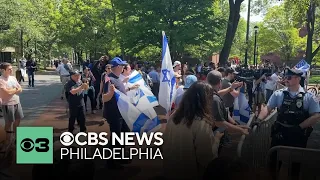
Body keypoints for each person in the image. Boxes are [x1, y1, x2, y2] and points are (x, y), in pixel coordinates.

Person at [257, 68, 320, 179]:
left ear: (298, 79)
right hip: (280, 133)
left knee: (295, 166)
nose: (286, 79)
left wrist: (299, 127)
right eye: (285, 77)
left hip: (298, 135)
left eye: (289, 77)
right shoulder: (278, 94)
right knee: (274, 162)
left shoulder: (308, 97)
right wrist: (258, 120)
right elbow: (268, 108)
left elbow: (316, 115)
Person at [163, 81, 224, 180]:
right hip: (189, 173)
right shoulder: (201, 123)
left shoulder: (174, 116)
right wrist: (216, 139)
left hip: (169, 171)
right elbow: (207, 158)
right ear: (205, 100)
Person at [102, 57, 138, 169]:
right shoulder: (109, 79)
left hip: (121, 112)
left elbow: (120, 93)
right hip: (114, 113)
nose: (123, 67)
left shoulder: (117, 78)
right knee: (116, 137)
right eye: (122, 66)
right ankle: (111, 162)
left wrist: (129, 89)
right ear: (117, 67)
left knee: (124, 134)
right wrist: (111, 93)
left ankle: (120, 157)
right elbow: (104, 98)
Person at [206, 70, 249, 152]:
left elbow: (218, 93)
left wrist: (230, 88)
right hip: (212, 135)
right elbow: (219, 122)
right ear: (220, 83)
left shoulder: (208, 93)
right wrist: (240, 129)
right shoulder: (215, 99)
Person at [0, 63, 24, 144]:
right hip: (7, 104)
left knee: (18, 120)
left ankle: (15, 137)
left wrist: (12, 90)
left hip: (17, 102)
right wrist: (15, 89)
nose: (11, 70)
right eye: (9, 69)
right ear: (3, 70)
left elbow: (20, 89)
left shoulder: (13, 78)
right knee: (9, 122)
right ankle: (7, 139)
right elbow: (7, 93)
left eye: (11, 68)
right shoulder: (1, 80)